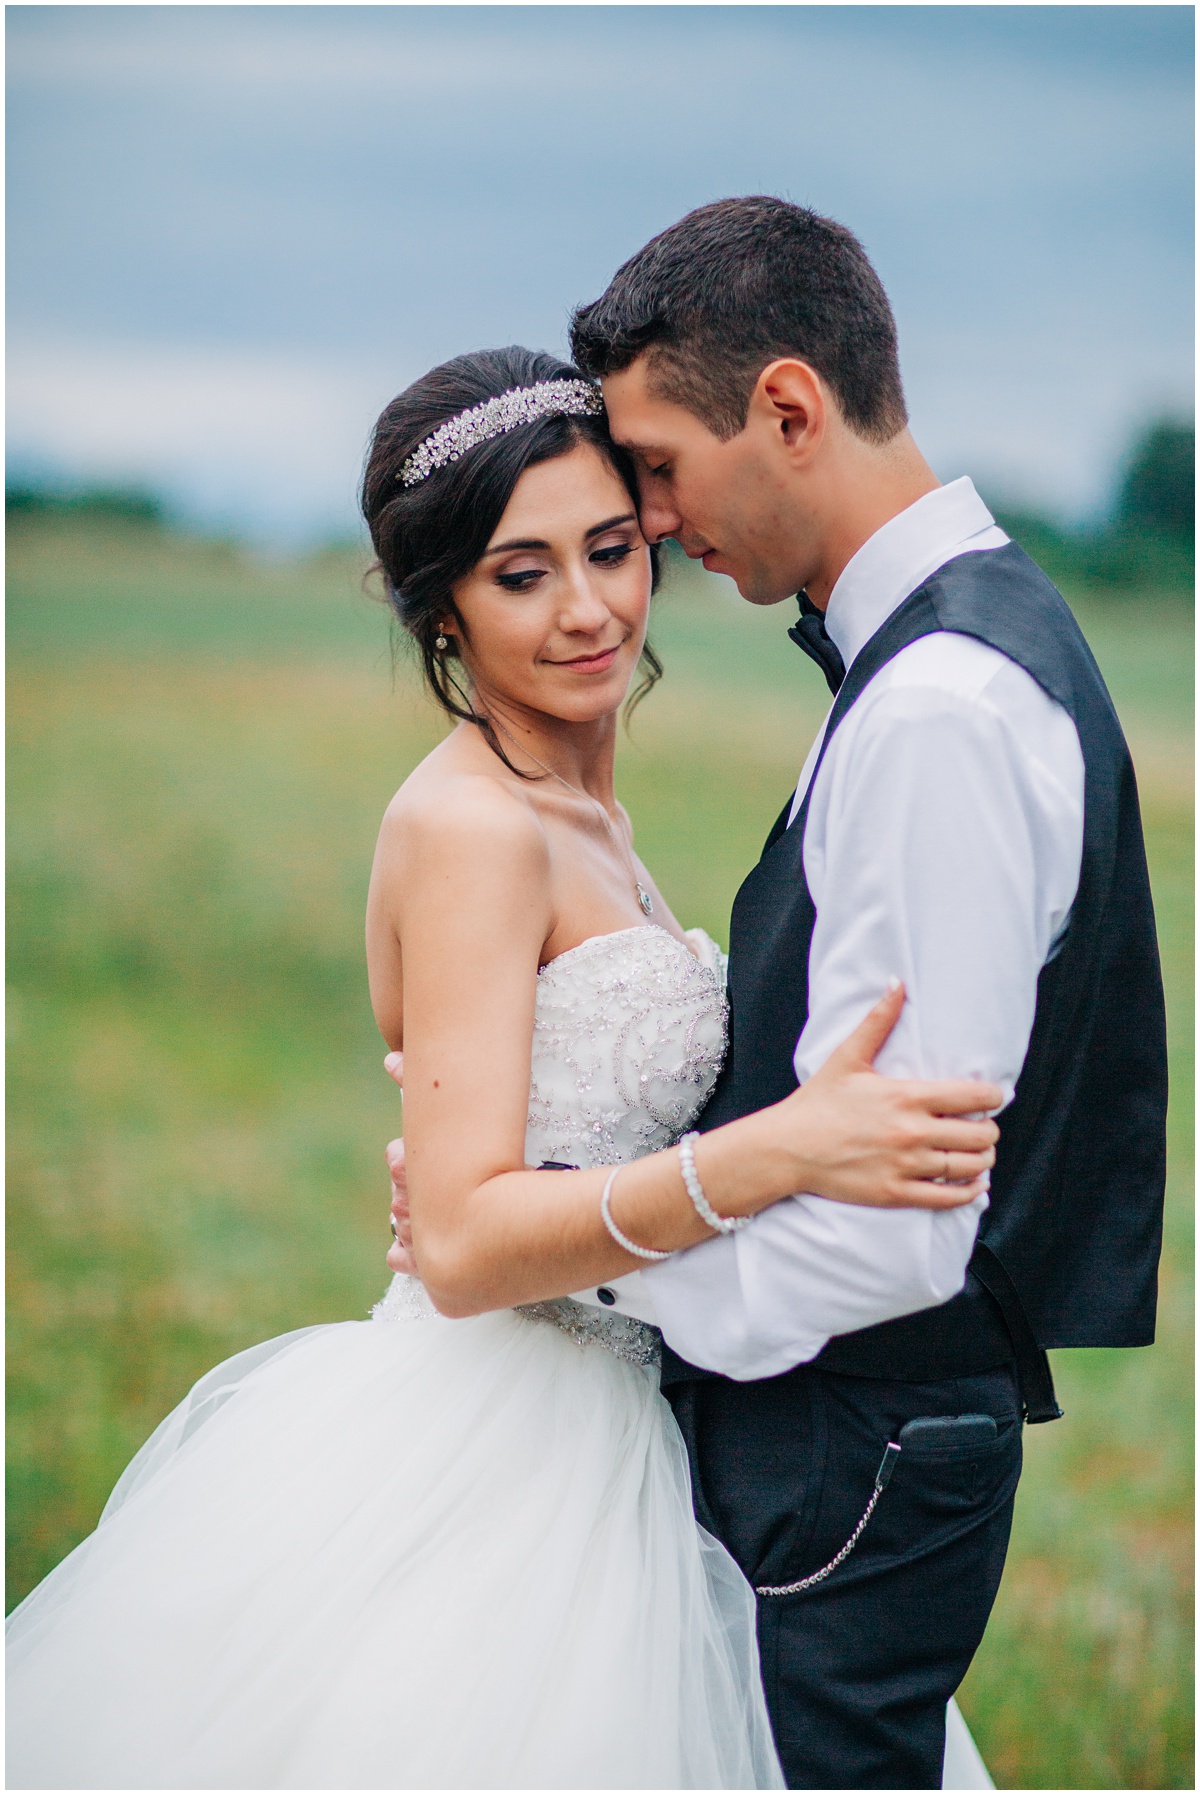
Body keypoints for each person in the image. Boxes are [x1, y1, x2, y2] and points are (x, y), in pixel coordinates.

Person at [4, 346, 1004, 1791]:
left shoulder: (585, 806)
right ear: (442, 608)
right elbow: (466, 1241)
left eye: (610, 548)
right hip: (505, 1451)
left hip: (637, 1422)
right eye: (521, 575)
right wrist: (780, 1151)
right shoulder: (474, 828)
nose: (587, 608)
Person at [558, 196, 1166, 1789]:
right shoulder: (927, 663)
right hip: (849, 1438)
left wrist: (596, 1282)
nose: (655, 522)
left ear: (787, 409)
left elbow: (890, 1234)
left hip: (848, 1441)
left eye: (660, 468)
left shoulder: (939, 710)